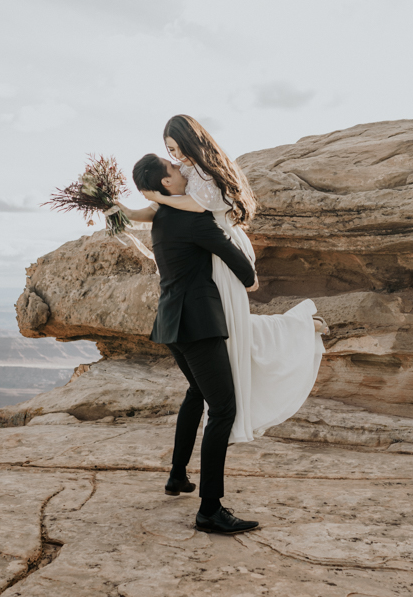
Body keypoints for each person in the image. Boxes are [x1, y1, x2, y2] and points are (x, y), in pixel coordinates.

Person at [121, 115, 326, 446]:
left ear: (190, 141)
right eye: (169, 150)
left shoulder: (208, 176)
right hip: (208, 250)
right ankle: (293, 335)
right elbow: (164, 209)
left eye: (176, 148)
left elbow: (191, 205)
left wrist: (157, 198)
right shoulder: (186, 170)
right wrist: (129, 212)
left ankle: (298, 331)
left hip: (219, 249)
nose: (175, 157)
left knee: (231, 329)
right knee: (230, 330)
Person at [129, 153, 260, 535]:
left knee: (196, 393)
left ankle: (176, 476)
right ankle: (210, 510)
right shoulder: (193, 220)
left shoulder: (164, 217)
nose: (180, 168)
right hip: (199, 325)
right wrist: (249, 280)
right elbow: (244, 268)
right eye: (173, 169)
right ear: (166, 184)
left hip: (171, 324)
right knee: (223, 409)